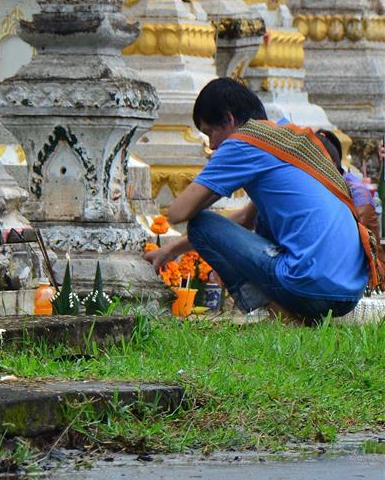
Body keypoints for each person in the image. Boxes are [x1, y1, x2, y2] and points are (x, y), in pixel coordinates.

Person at [144, 78, 381, 323]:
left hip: (310, 284)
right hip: (348, 292)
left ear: (229, 119)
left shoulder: (243, 143)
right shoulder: (283, 139)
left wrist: (216, 186)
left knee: (200, 225)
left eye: (210, 133)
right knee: (263, 219)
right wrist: (171, 249)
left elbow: (177, 213)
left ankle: (281, 314)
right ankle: (298, 313)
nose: (212, 145)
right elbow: (246, 219)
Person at [316, 129, 384, 268]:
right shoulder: (327, 186)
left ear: (332, 163)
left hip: (361, 274)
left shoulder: (357, 194)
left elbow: (348, 244)